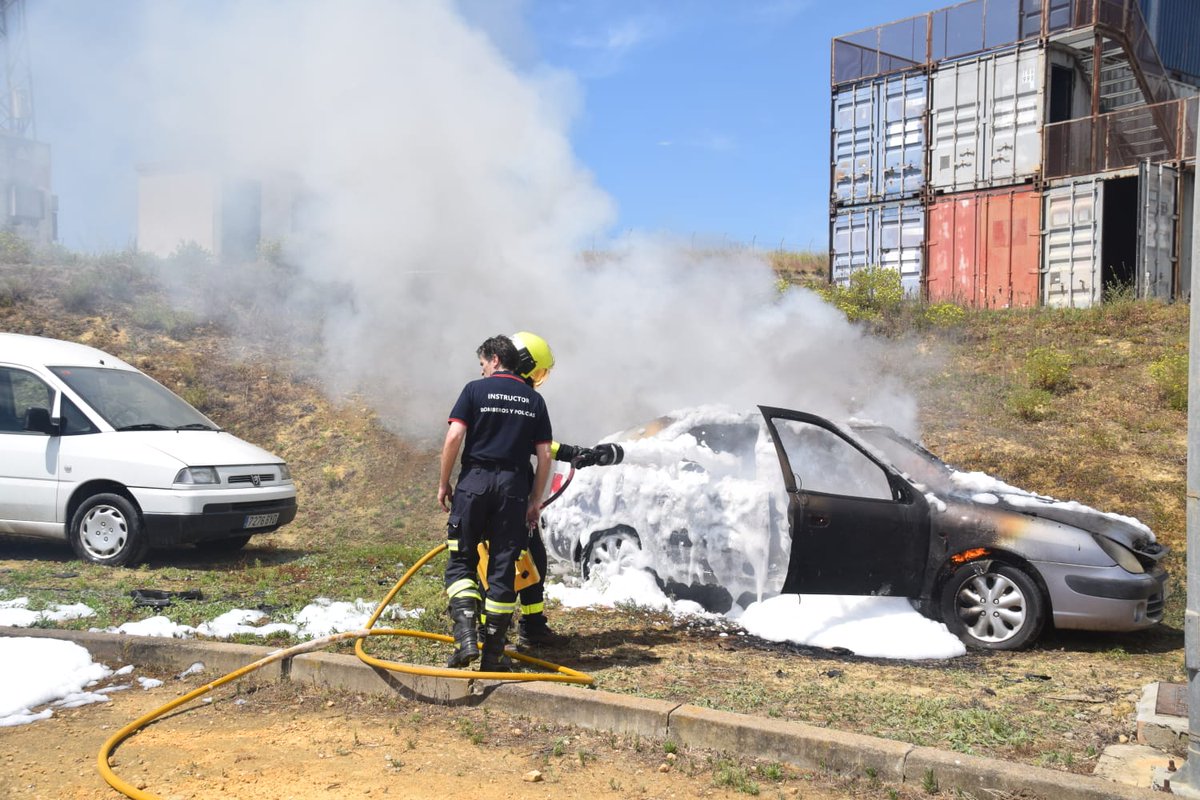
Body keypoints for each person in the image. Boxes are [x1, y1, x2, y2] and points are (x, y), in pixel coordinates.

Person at [439, 335, 552, 672]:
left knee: (462, 562)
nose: (483, 370)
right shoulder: (534, 399)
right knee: (502, 571)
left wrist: (444, 482)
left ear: (494, 359)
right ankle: (493, 655)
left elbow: (454, 437)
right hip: (514, 488)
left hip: (474, 483)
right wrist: (535, 500)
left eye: (483, 363)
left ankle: (465, 639)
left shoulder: (474, 390)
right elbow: (544, 455)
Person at [508, 331, 622, 650]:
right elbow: (537, 445)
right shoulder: (515, 397)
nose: (538, 380)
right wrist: (568, 454)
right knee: (508, 559)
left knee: (530, 556)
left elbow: (535, 441)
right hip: (505, 490)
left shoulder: (493, 391)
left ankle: (523, 626)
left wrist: (574, 453)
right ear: (525, 364)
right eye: (538, 372)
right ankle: (494, 632)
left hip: (490, 489)